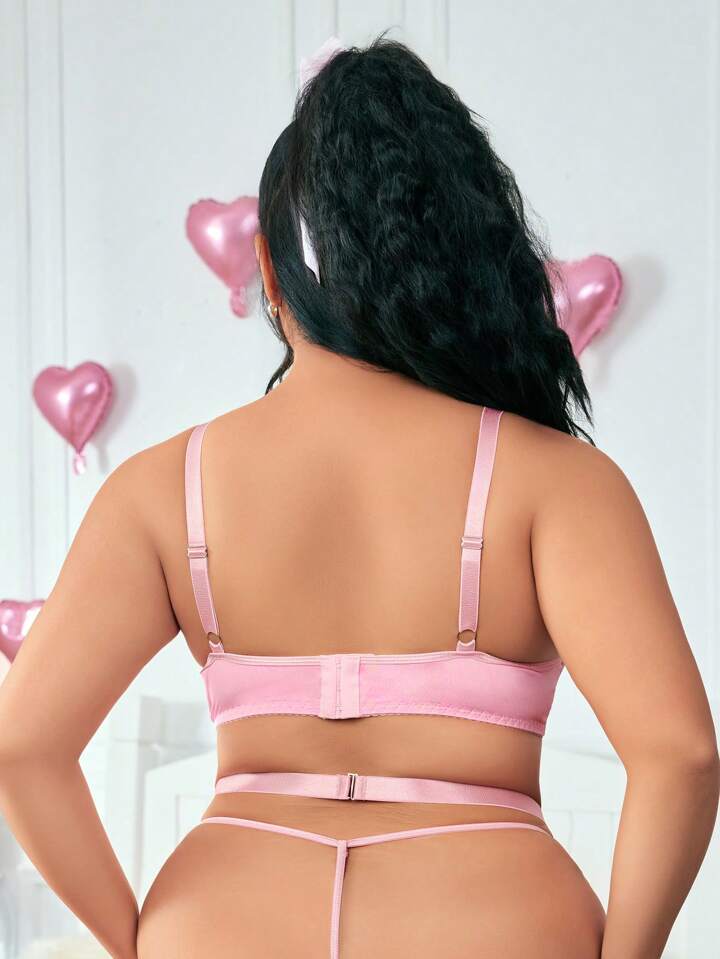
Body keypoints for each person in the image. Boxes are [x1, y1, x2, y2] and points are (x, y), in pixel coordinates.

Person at [0, 33, 718, 959]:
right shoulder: (560, 484)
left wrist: (133, 940)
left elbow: (21, 748)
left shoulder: (156, 491)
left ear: (270, 274)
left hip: (223, 926)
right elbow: (681, 756)